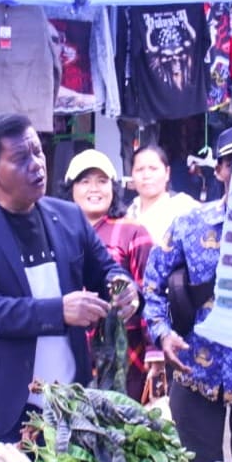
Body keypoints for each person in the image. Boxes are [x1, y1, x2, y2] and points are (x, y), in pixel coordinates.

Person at [0, 113, 137, 462]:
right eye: (20, 158)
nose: (37, 166)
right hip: (4, 408)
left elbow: (105, 269)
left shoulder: (69, 217)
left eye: (38, 152)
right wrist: (58, 312)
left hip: (69, 405)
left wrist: (123, 288)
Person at [144, 125, 232, 462]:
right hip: (195, 369)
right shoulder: (190, 223)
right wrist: (163, 334)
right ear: (219, 170)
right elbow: (153, 285)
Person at [65, 148, 153, 401]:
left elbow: (153, 293)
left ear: (114, 187)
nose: (95, 188)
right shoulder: (58, 232)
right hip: (71, 352)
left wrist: (155, 351)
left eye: (102, 181)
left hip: (125, 355)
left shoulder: (133, 231)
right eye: (85, 181)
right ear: (70, 188)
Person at [125, 145, 198, 245]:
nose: (146, 175)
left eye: (153, 169)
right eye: (139, 169)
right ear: (132, 174)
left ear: (167, 173)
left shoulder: (184, 207)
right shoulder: (129, 211)